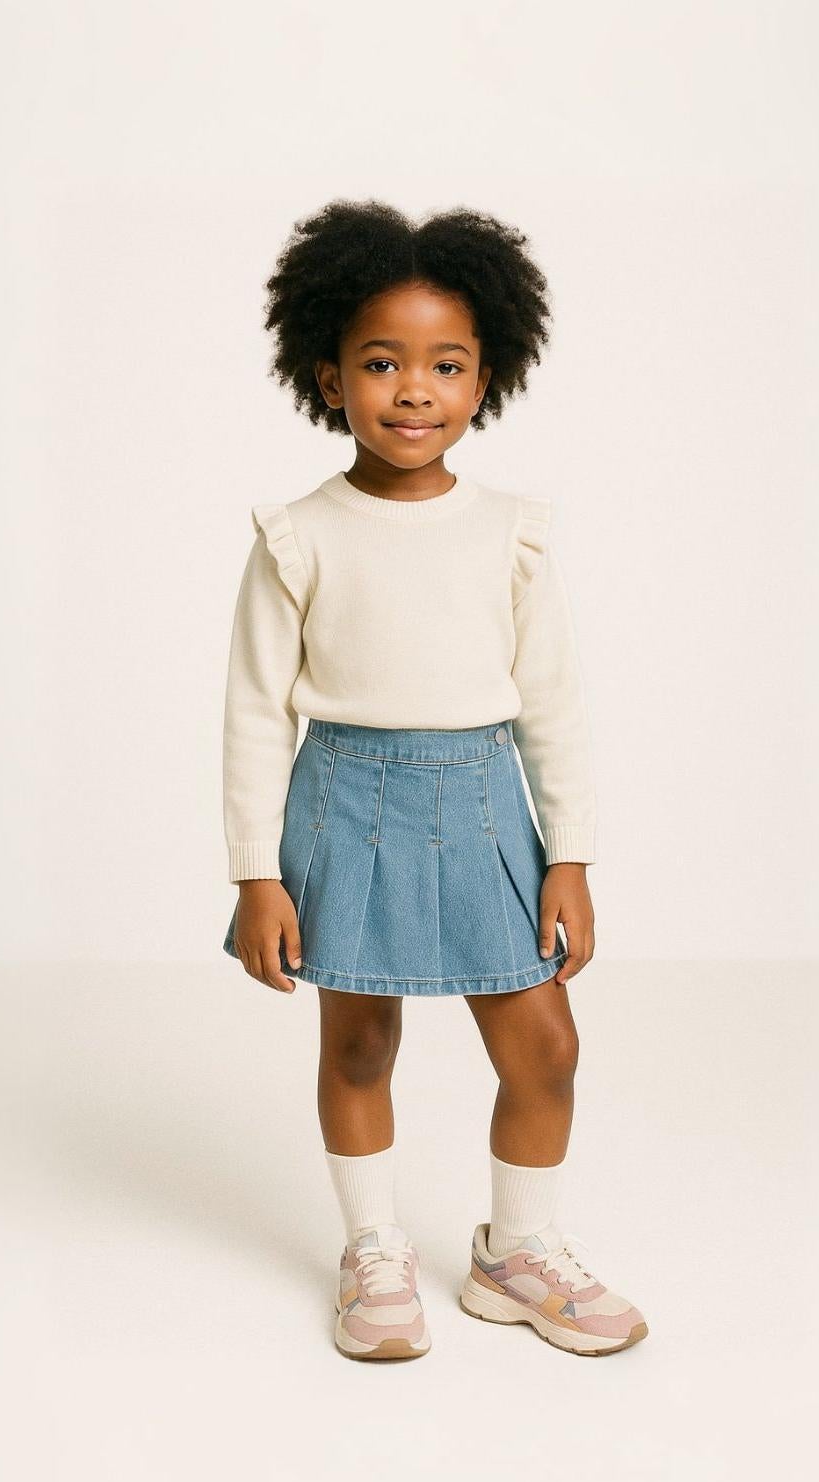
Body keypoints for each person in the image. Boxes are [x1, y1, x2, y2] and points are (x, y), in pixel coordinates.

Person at [221, 200, 648, 1361]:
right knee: (358, 1043)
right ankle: (372, 1252)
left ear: (484, 378)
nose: (413, 389)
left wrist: (570, 853)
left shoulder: (512, 532)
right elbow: (256, 713)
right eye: (381, 362)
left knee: (544, 1043)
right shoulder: (296, 535)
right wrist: (256, 875)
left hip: (482, 806)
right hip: (344, 806)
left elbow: (552, 702)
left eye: (444, 364)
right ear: (328, 374)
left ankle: (517, 1253)